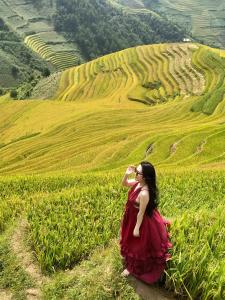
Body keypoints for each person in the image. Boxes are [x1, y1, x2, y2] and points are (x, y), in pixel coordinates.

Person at [120, 161, 172, 284]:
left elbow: (141, 213)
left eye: (138, 173)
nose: (135, 174)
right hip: (132, 216)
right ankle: (129, 260)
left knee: (138, 245)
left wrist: (136, 228)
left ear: (145, 176)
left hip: (140, 221)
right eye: (136, 171)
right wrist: (127, 174)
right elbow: (124, 183)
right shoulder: (138, 183)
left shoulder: (144, 193)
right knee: (130, 240)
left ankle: (133, 268)